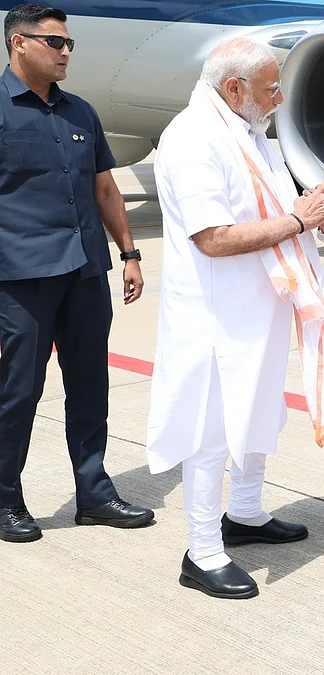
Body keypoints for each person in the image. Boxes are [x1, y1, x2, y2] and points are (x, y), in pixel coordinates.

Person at [147, 37, 324, 599]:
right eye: (269, 88)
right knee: (211, 433)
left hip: (259, 310)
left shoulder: (246, 133)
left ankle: (244, 514)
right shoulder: (194, 139)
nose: (280, 97)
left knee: (258, 415)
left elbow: (276, 212)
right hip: (216, 318)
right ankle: (203, 551)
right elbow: (212, 238)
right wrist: (299, 220)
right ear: (234, 88)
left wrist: (320, 214)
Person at [0, 3, 154, 543]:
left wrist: (129, 253)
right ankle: (5, 499)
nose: (66, 52)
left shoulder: (81, 113)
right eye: (55, 43)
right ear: (19, 43)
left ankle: (95, 494)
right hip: (20, 277)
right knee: (19, 389)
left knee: (90, 386)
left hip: (86, 270)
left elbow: (105, 187)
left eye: (69, 44)